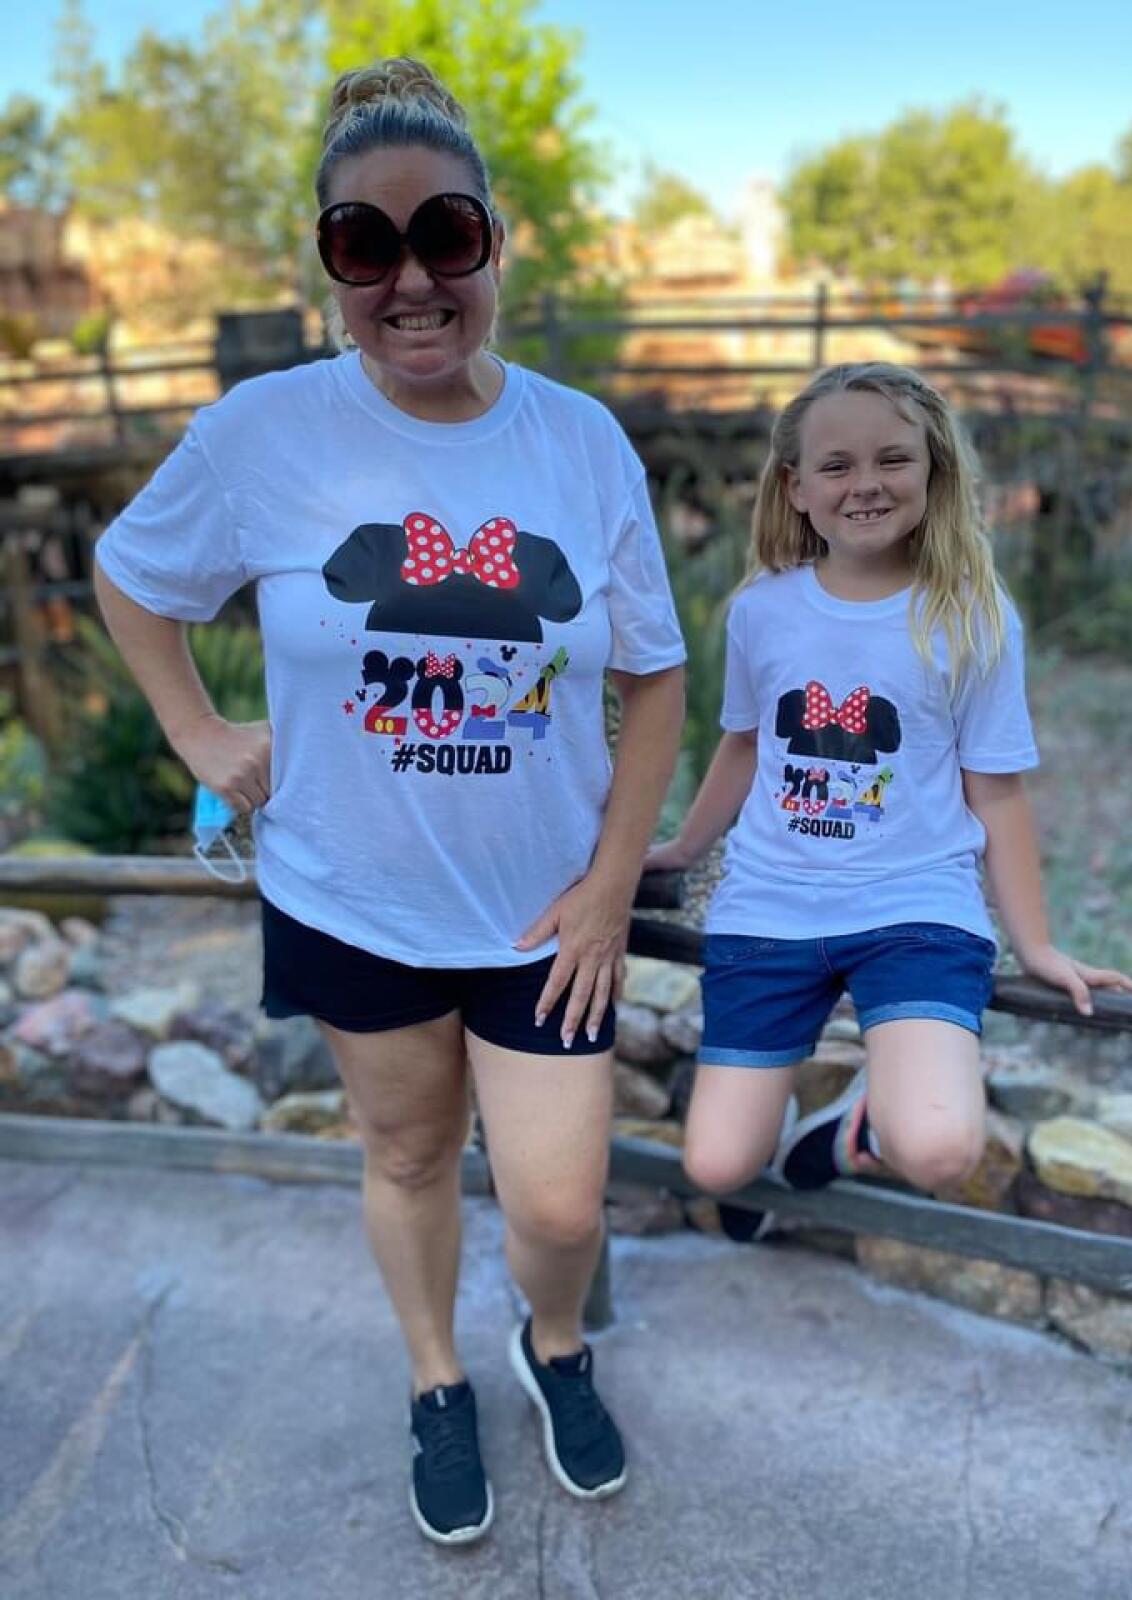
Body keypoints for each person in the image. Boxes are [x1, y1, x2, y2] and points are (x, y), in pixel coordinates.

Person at [93, 58, 685, 1546]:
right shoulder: (261, 434)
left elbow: (659, 678)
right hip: (350, 893)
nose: (411, 278)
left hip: (545, 907)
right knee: (409, 1155)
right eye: (368, 244)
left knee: (557, 1205)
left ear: (495, 244)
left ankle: (552, 1345)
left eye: (447, 236)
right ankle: (436, 1380)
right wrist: (200, 734)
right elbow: (131, 574)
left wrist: (615, 879)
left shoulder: (578, 441)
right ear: (329, 262)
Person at [646, 362, 1132, 1237]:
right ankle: (785, 1145)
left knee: (942, 1148)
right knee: (715, 1164)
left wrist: (1036, 943)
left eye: (891, 460)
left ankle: (864, 1125)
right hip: (772, 908)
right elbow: (747, 742)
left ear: (933, 471)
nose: (865, 483)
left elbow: (998, 788)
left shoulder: (971, 615)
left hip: (915, 905)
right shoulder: (763, 610)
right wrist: (686, 848)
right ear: (795, 487)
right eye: (835, 465)